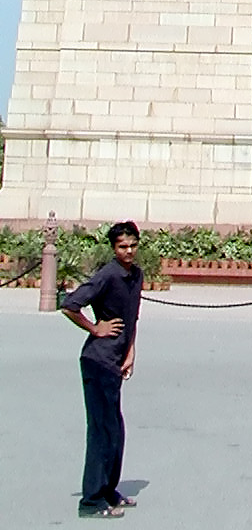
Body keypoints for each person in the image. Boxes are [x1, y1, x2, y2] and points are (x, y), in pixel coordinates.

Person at [60, 221, 144, 518]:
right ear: (113, 248)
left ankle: (109, 490)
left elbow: (132, 318)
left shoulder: (136, 276)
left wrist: (130, 351)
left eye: (133, 245)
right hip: (98, 362)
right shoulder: (108, 275)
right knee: (101, 431)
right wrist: (95, 328)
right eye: (122, 246)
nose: (129, 251)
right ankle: (92, 501)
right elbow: (70, 305)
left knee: (115, 430)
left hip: (116, 361)